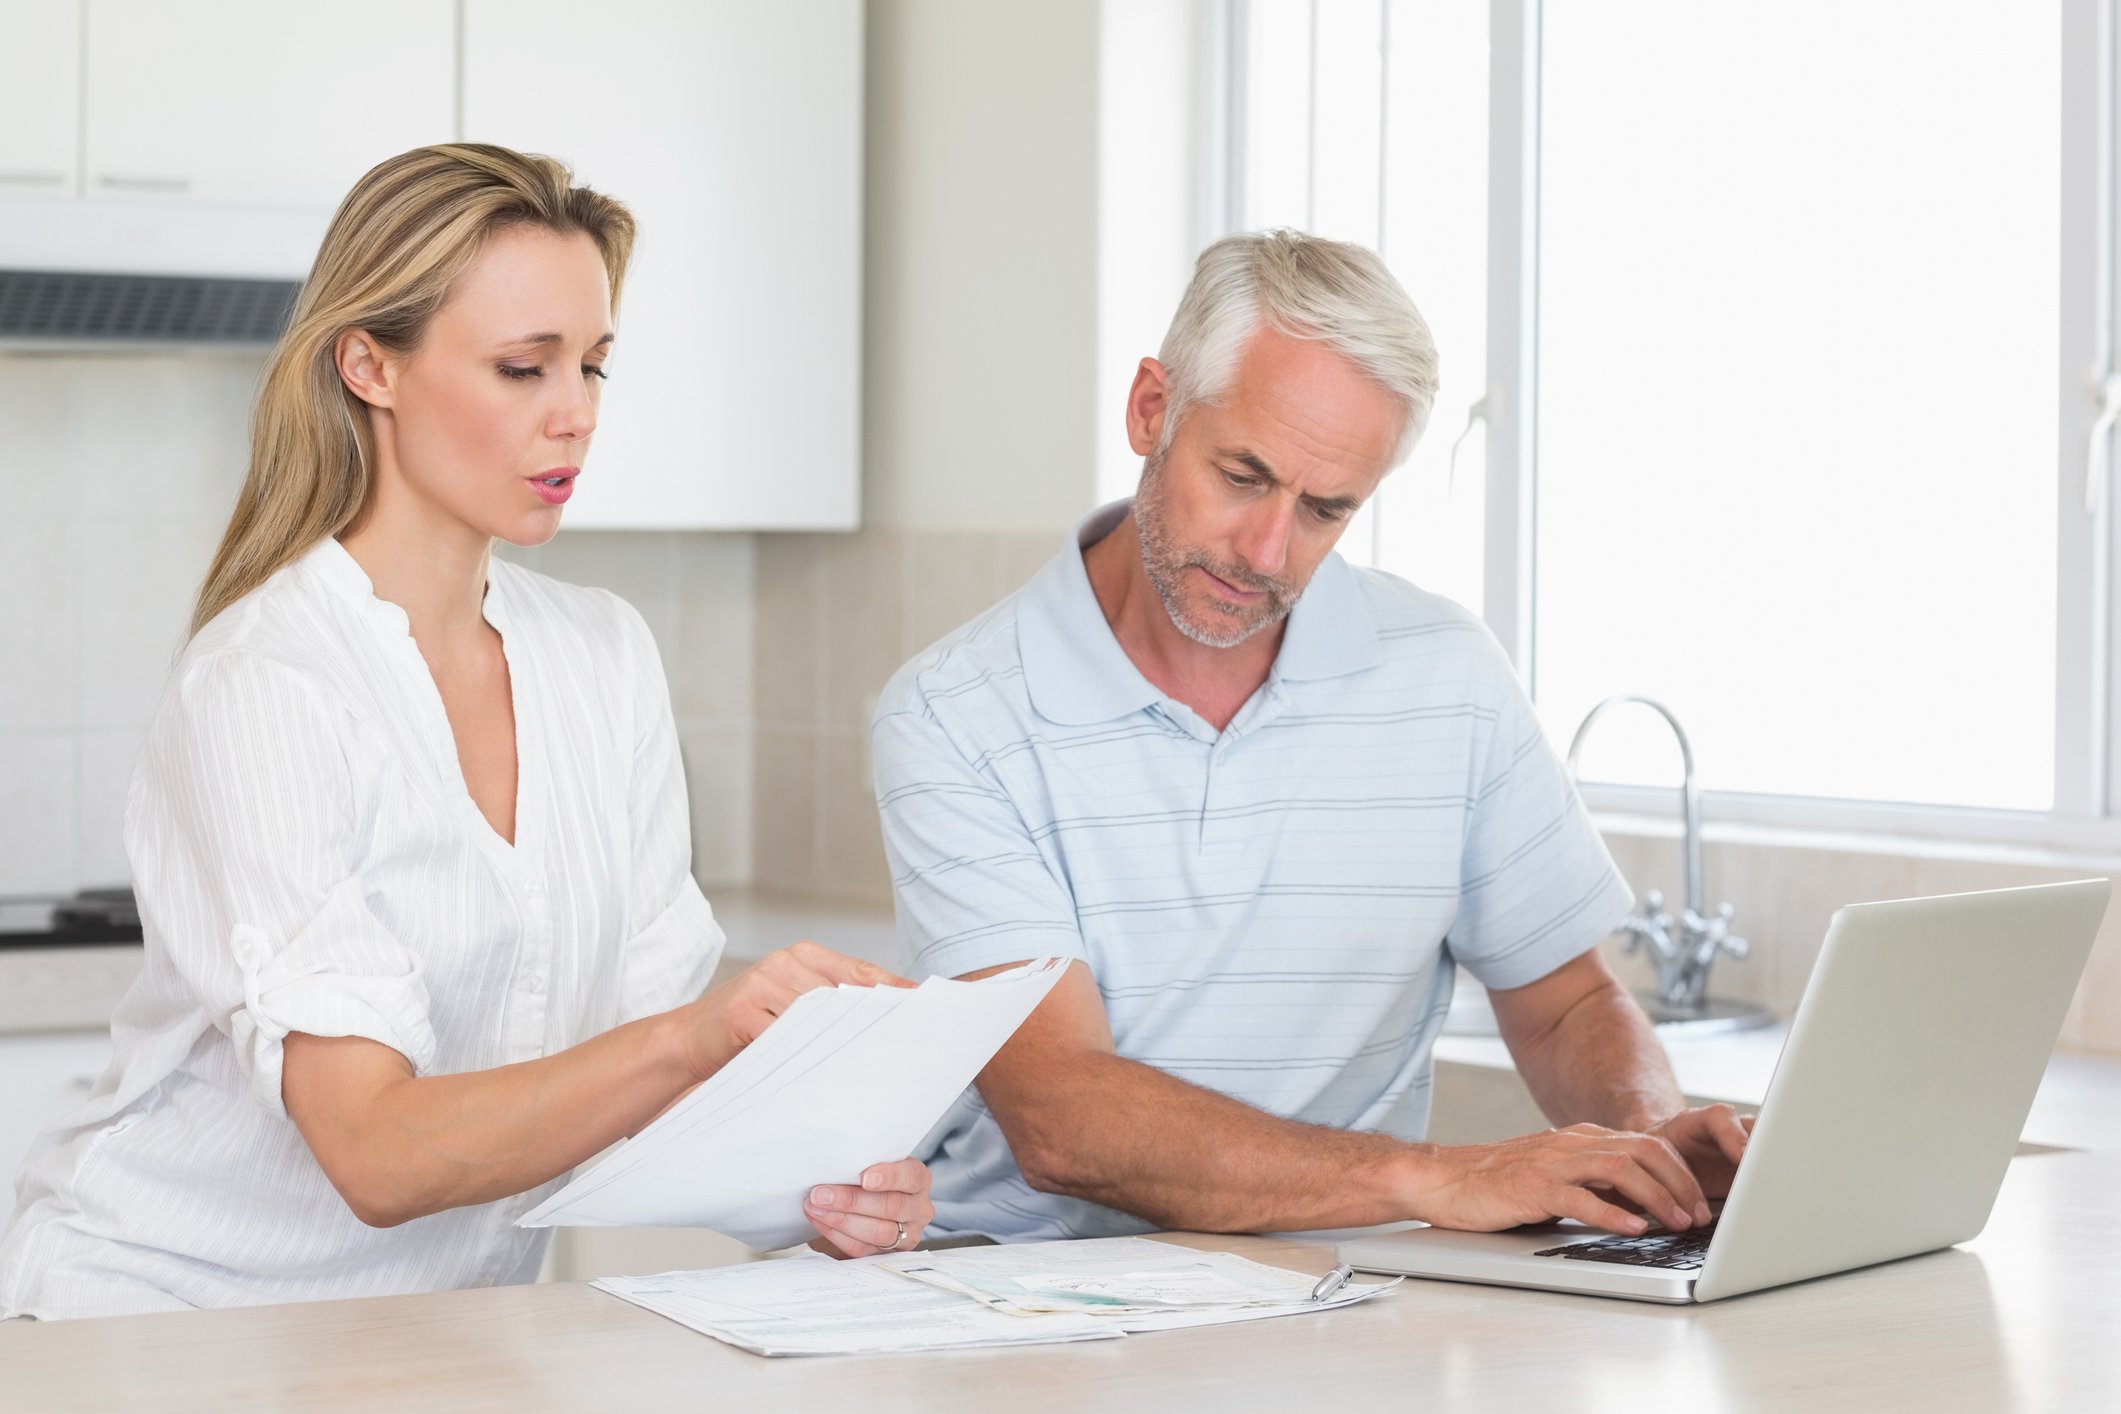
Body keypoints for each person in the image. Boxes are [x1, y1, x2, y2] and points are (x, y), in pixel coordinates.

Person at [0, 145, 930, 1321]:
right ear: (369, 366)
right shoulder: (267, 682)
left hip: (432, 1330)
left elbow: (640, 1078)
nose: (576, 414)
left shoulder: (604, 658)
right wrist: (696, 1038)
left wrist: (814, 1187)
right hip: (159, 1325)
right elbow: (378, 1152)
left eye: (593, 364)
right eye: (520, 367)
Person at [872, 229, 1751, 1243]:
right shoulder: (954, 713)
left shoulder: (1448, 674)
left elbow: (1563, 1005)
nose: (1267, 550)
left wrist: (1653, 1149)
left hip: (1346, 1307)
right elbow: (1065, 1118)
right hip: (1034, 1315)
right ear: (1151, 408)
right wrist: (1431, 1178)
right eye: (1243, 475)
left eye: (1327, 509)